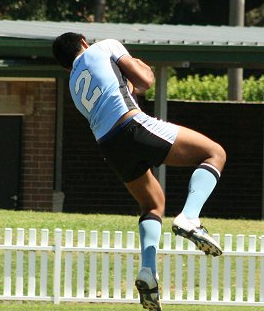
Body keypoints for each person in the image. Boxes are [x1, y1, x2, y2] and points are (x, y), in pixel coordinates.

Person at [52, 32, 226, 311]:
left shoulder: (73, 84)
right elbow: (144, 82)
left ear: (64, 65)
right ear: (84, 42)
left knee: (152, 203)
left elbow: (123, 92)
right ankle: (190, 218)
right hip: (133, 125)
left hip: (109, 146)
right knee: (214, 153)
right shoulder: (104, 46)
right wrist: (139, 66)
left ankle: (147, 270)